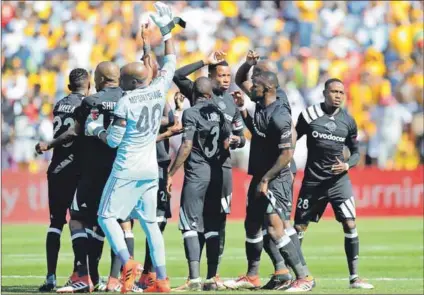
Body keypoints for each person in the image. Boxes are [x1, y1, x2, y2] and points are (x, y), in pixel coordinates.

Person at [83, 2, 178, 293]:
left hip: (126, 167)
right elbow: (171, 62)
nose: (119, 81)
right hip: (151, 168)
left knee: (105, 216)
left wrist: (96, 129)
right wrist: (166, 31)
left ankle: (127, 263)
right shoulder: (158, 89)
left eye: (123, 77)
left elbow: (113, 140)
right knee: (150, 224)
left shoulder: (126, 101)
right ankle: (160, 279)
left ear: (131, 81)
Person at [228, 71, 313, 292]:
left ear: (266, 89)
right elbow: (259, 132)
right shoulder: (262, 108)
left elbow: (286, 154)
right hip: (262, 174)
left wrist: (266, 179)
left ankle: (304, 277)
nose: (251, 88)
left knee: (276, 229)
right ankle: (273, 275)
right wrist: (243, 110)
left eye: (255, 85)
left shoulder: (280, 115)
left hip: (277, 177)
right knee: (254, 224)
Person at [173, 52, 246, 290]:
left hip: (221, 169)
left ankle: (211, 276)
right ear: (211, 78)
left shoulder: (231, 104)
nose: (226, 80)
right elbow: (177, 74)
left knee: (216, 222)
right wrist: (204, 61)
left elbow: (242, 137)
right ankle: (196, 275)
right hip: (205, 167)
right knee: (200, 222)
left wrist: (236, 140)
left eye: (228, 76)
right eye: (221, 75)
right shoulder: (200, 93)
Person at [294, 78, 374, 289]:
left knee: (350, 224)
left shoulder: (348, 121)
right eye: (334, 91)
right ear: (324, 93)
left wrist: (348, 165)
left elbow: (356, 152)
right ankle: (298, 276)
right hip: (313, 181)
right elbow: (293, 138)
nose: (338, 95)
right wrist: (286, 161)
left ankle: (354, 278)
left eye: (341, 92)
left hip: (339, 183)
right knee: (299, 227)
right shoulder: (309, 115)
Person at [167, 77, 231, 291]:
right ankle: (211, 278)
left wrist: (171, 173)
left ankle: (194, 279)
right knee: (213, 226)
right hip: (217, 175)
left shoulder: (191, 112)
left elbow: (186, 145)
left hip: (197, 174)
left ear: (194, 94)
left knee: (189, 224)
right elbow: (227, 141)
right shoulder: (220, 113)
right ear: (210, 94)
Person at [36, 68, 91, 292]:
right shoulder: (87, 105)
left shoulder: (59, 104)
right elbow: (74, 132)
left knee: (55, 222)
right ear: (88, 86)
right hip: (77, 170)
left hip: (57, 169)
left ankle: (50, 277)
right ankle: (81, 273)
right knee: (79, 220)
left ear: (69, 87)